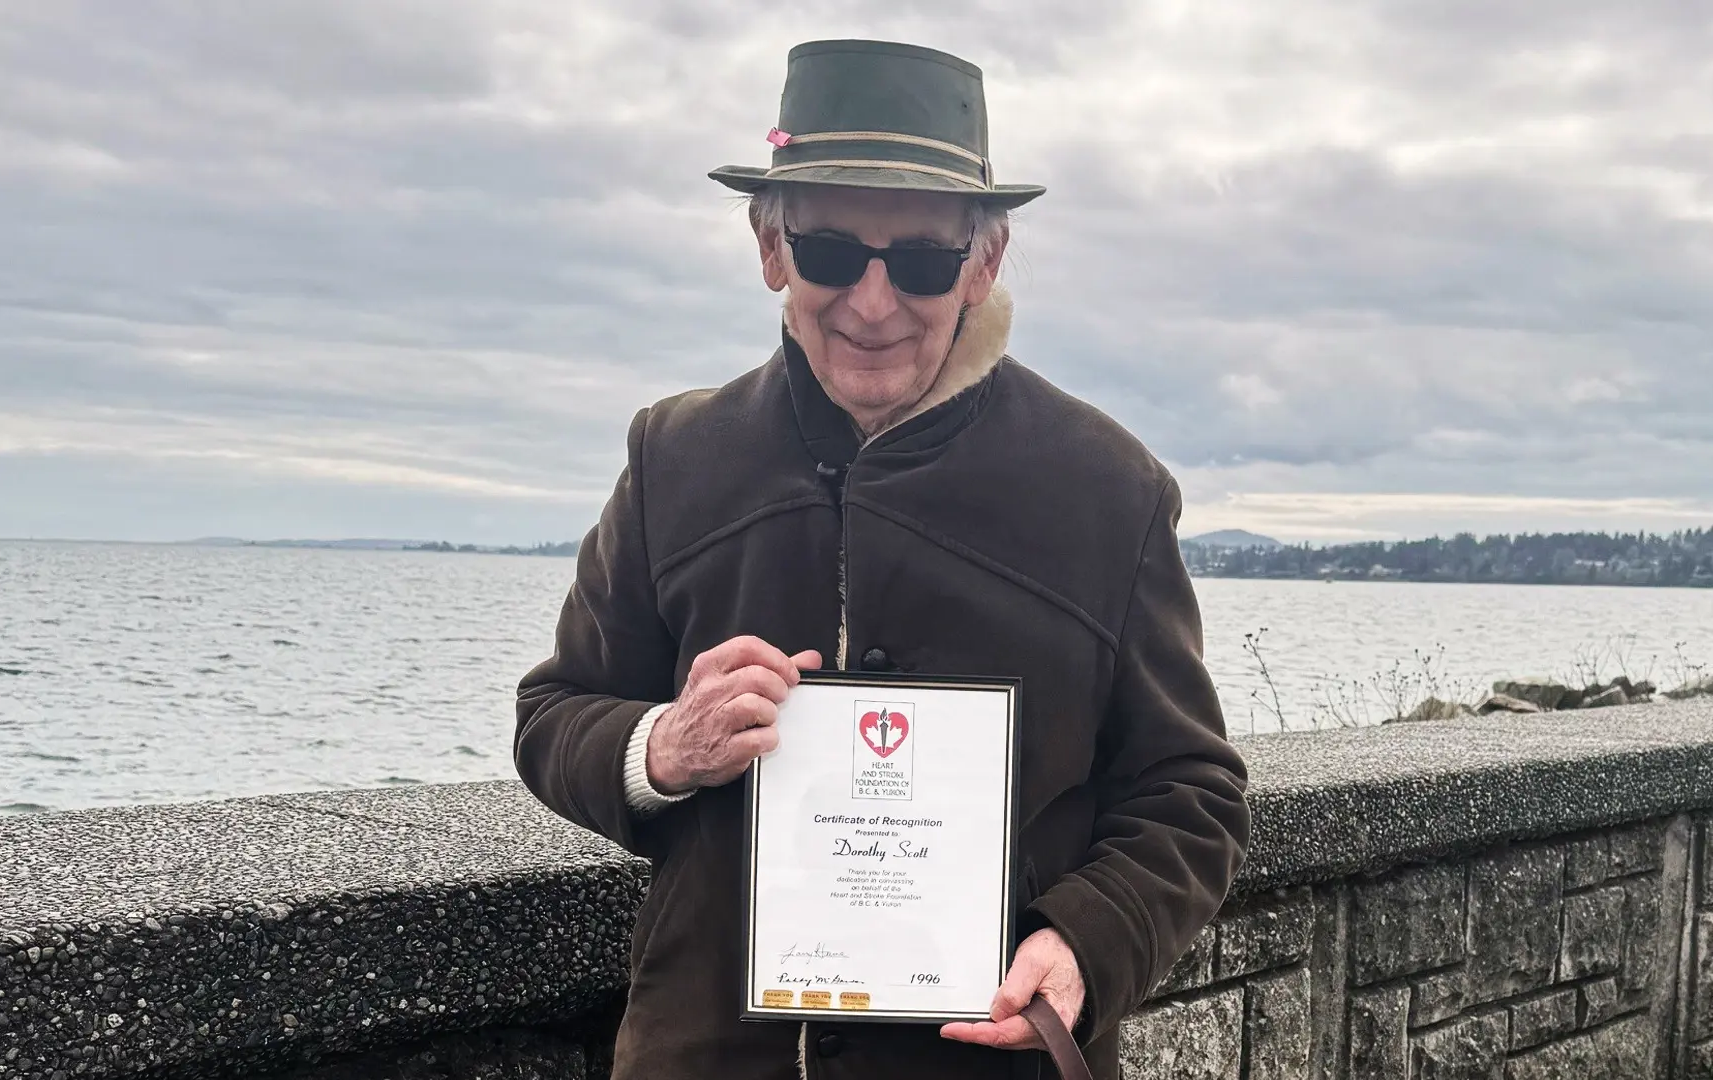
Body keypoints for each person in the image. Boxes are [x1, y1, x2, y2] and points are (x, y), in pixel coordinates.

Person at [516, 38, 1250, 1080]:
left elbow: (1190, 787)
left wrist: (1088, 940)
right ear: (771, 250)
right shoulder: (674, 457)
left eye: (919, 259)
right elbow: (555, 715)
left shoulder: (1109, 489)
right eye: (828, 253)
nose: (871, 302)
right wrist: (663, 747)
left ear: (983, 262)